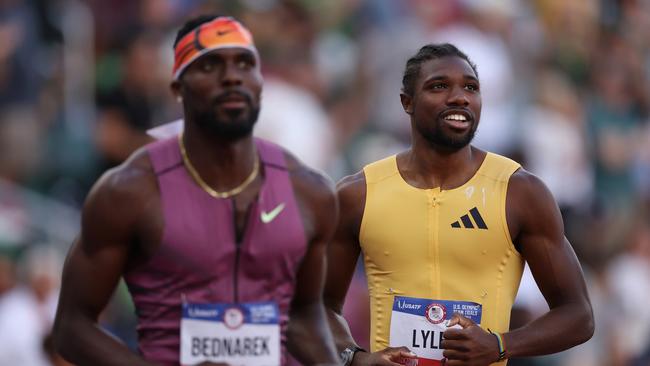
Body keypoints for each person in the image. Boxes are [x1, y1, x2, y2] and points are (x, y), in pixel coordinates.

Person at [53, 15, 339, 366]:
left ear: (261, 83)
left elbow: (304, 314)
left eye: (245, 63)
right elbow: (71, 326)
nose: (232, 76)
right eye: (210, 65)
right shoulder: (129, 190)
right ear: (177, 88)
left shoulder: (308, 191)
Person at [324, 43, 594, 366]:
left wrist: (499, 345)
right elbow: (314, 308)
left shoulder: (518, 192)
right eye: (439, 86)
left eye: (471, 87)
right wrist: (358, 359)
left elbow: (578, 315)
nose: (459, 97)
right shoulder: (360, 194)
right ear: (406, 102)